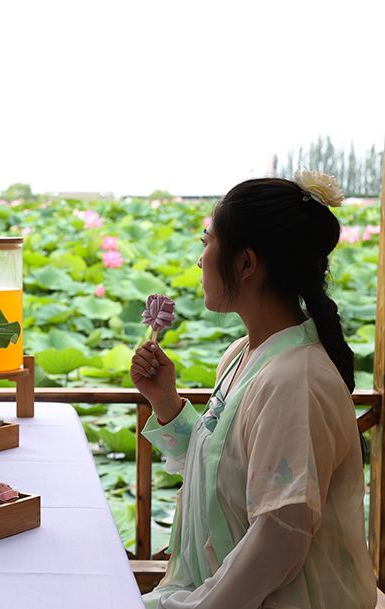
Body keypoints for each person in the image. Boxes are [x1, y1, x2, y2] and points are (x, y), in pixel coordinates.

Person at [131, 172, 376, 609]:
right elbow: (218, 472)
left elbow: (280, 539)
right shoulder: (242, 354)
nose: (200, 261)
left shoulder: (294, 379)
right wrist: (165, 401)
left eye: (207, 242)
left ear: (245, 263)